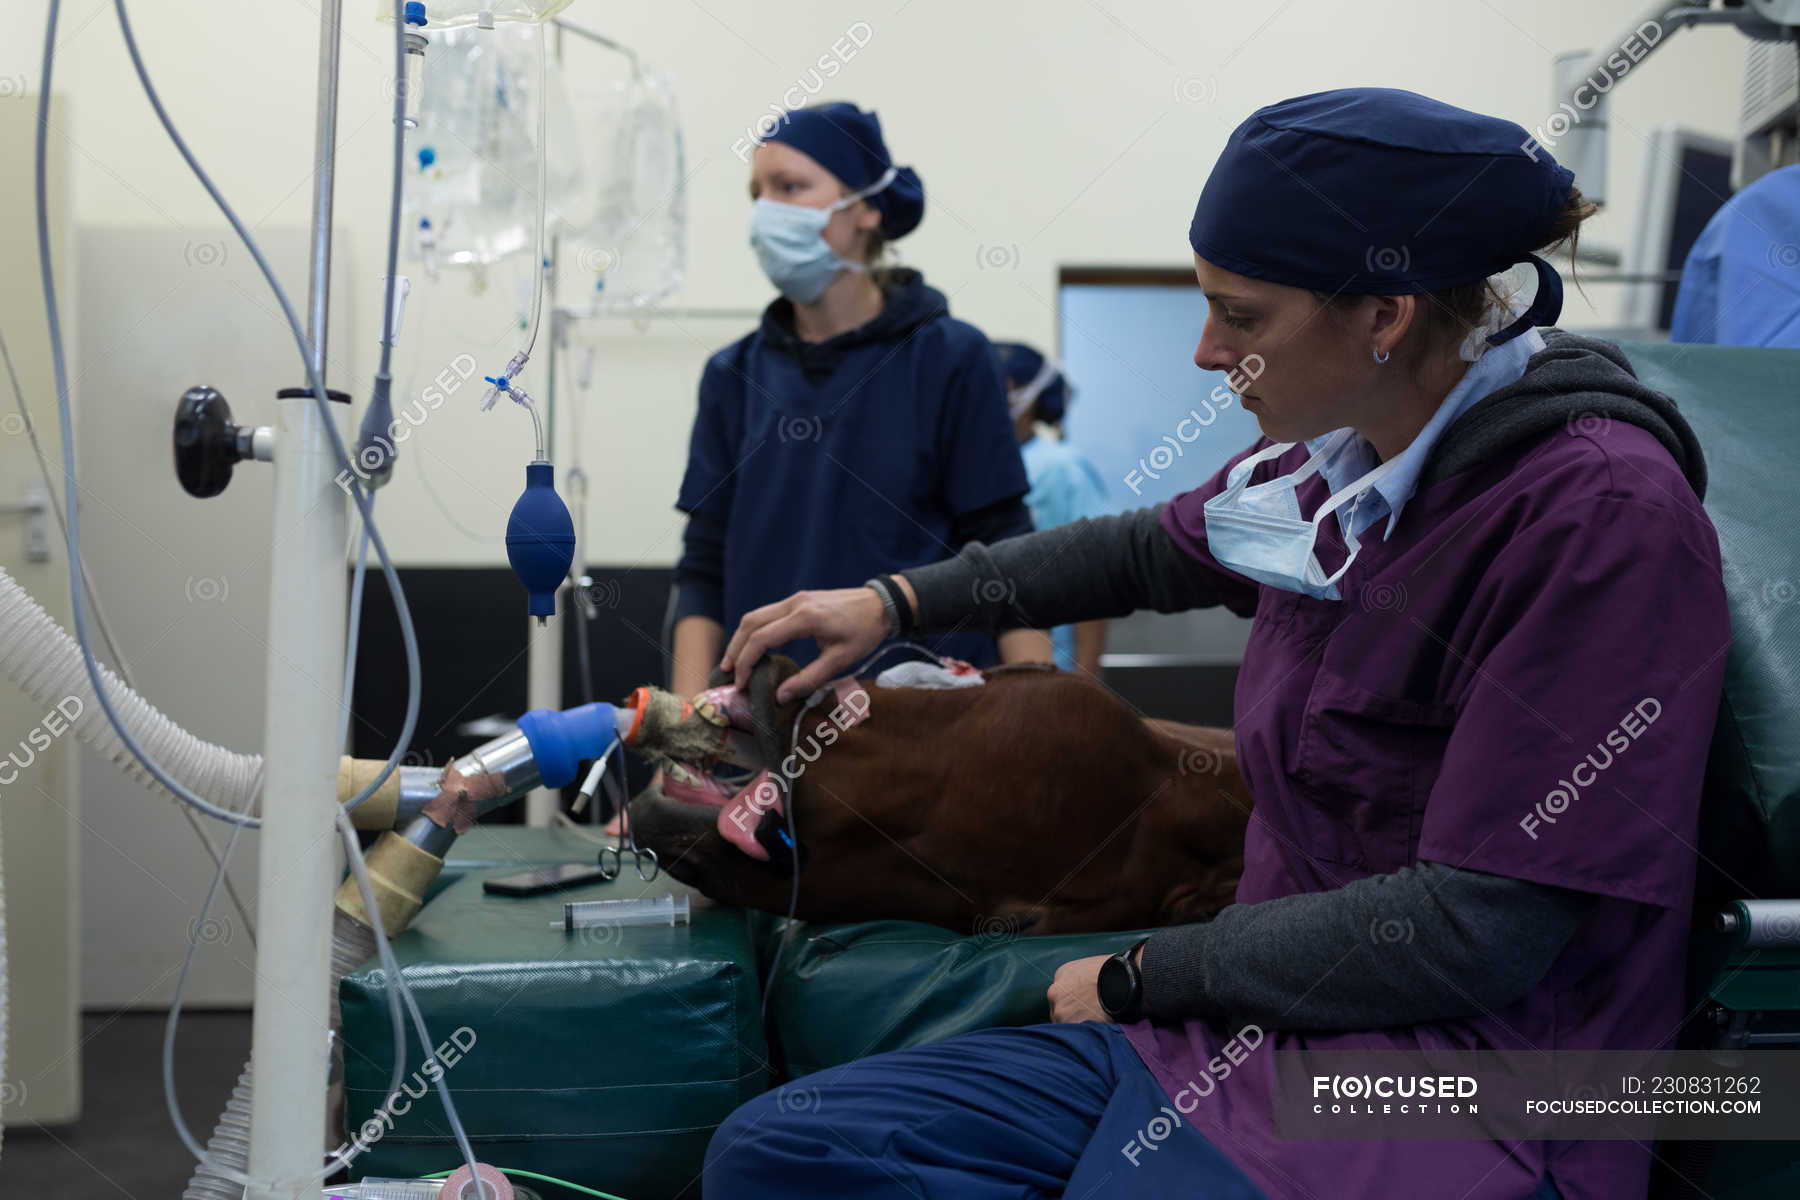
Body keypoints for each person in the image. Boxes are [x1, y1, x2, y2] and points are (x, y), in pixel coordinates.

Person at [704, 88, 1730, 1200]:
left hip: (1488, 1086)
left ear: (1383, 317)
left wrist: (1149, 973)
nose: (1204, 351)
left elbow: (1476, 932)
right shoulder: (1341, 464)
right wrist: (894, 600)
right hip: (1251, 1035)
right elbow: (1144, 551)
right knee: (788, 1151)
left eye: (1239, 317)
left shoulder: (1595, 518)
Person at [665, 101, 1050, 701]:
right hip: (770, 716)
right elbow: (702, 566)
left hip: (923, 719)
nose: (768, 211)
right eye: (757, 192)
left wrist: (1036, 708)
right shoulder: (733, 375)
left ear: (867, 207)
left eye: (790, 186)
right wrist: (686, 729)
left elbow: (1004, 549)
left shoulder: (950, 358)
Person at [993, 342, 1113, 675]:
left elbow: (1092, 579)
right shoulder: (977, 469)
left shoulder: (1061, 468)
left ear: (1027, 399)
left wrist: (1086, 680)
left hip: (1052, 667)